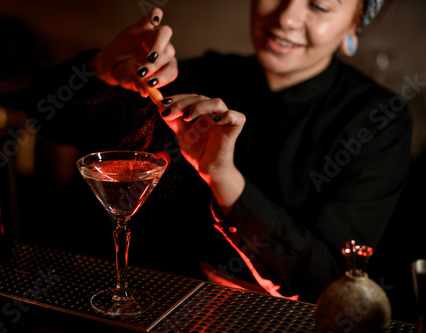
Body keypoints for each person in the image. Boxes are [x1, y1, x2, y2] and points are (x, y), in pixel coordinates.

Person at [28, 0, 412, 310]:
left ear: (355, 23)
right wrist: (102, 69)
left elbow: (330, 286)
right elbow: (45, 120)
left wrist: (224, 178)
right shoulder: (205, 78)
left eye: (320, 6)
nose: (287, 18)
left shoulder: (378, 121)